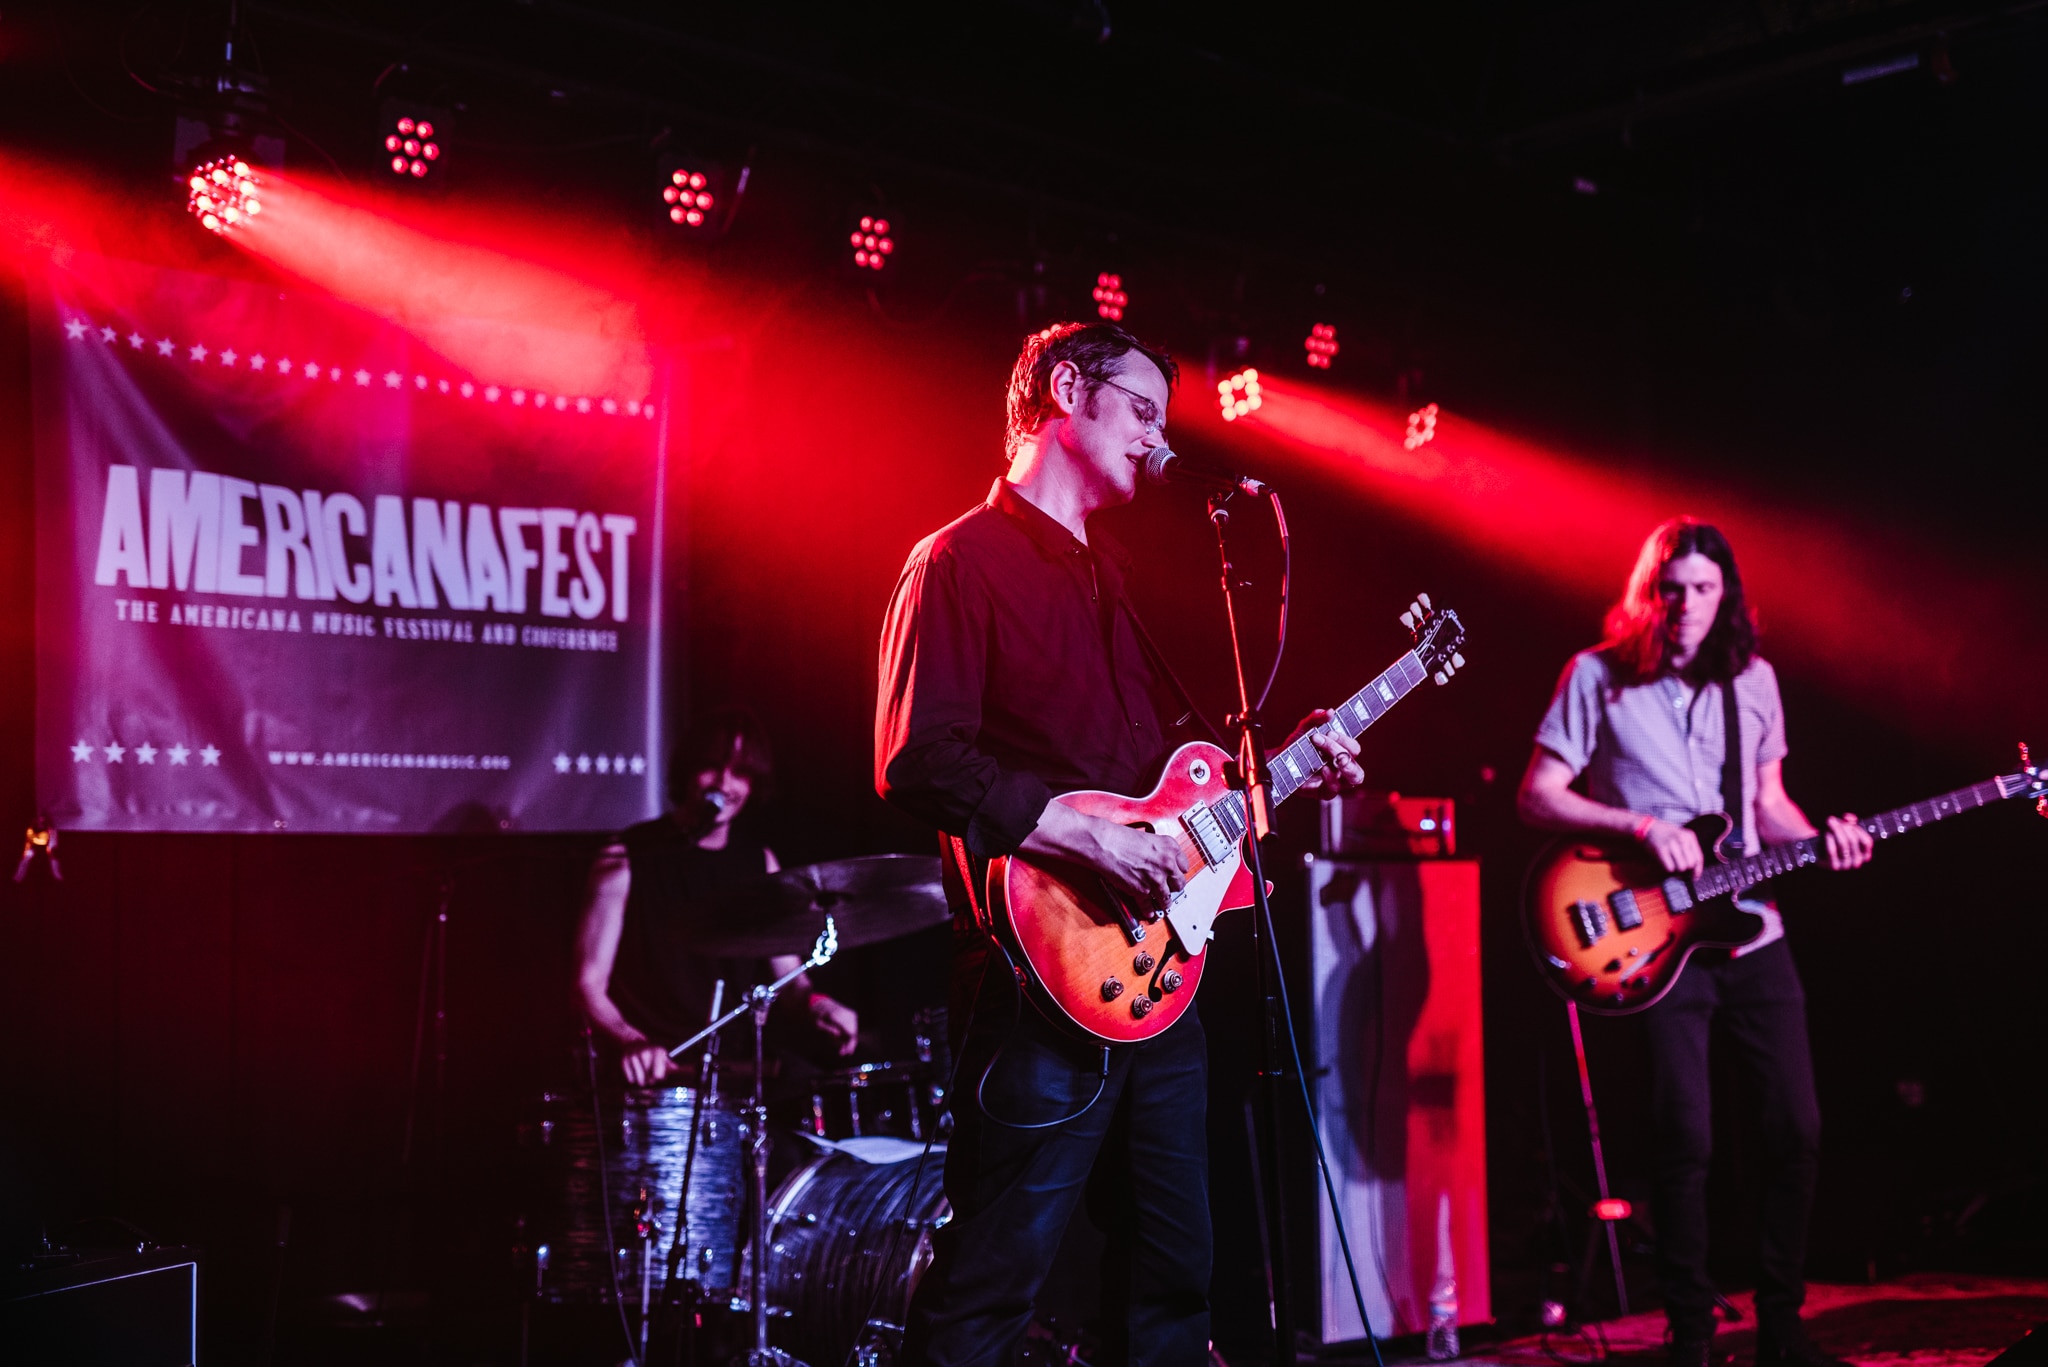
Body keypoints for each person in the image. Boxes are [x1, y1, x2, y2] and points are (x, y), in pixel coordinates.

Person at [875, 321, 1368, 1367]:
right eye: (1142, 410)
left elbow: (1159, 789)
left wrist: (1278, 769)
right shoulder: (957, 560)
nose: (1157, 438)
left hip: (1155, 982)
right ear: (1067, 391)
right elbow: (917, 756)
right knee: (990, 1283)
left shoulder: (1114, 576)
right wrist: (1084, 842)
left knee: (1172, 1282)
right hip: (1034, 983)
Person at [1517, 518, 1874, 1367]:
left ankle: (1781, 1326)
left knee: (1796, 1127)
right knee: (1686, 1138)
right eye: (1672, 589)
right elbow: (1538, 793)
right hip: (1658, 939)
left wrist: (1823, 840)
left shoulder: (1754, 679)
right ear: (1649, 593)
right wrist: (1640, 824)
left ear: (1726, 597)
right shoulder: (1596, 676)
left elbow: (1766, 803)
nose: (1687, 606)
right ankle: (1690, 1332)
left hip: (1752, 930)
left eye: (1704, 589)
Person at [576, 706, 858, 1086]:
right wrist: (632, 1042)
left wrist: (818, 1004)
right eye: (712, 767)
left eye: (741, 772)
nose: (724, 784)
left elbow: (790, 981)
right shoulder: (625, 857)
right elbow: (589, 983)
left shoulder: (760, 862)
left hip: (733, 1075)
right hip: (653, 1079)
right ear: (687, 770)